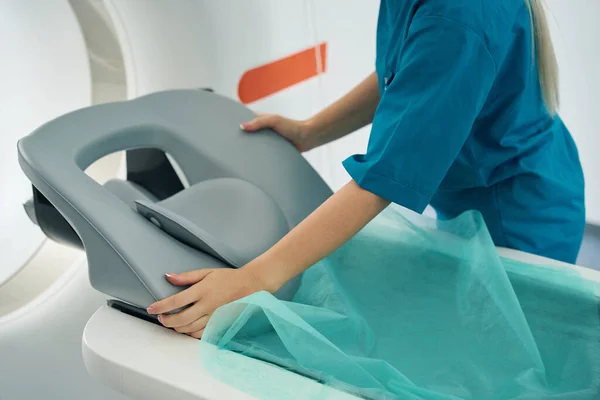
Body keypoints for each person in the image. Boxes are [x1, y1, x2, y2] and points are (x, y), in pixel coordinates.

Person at [147, 0, 585, 338]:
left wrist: (255, 278)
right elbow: (407, 73)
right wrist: (310, 132)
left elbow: (382, 179)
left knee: (507, 349)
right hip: (476, 187)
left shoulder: (460, 18)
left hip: (520, 209)